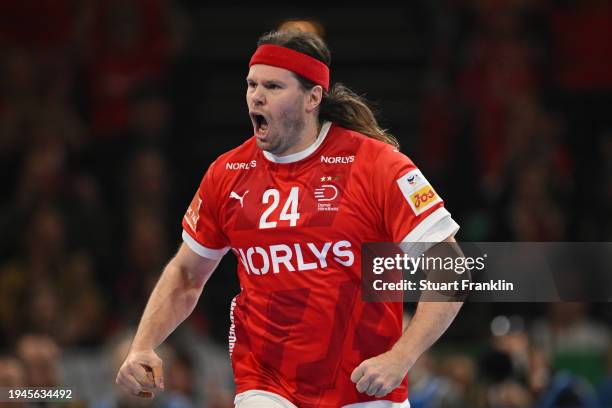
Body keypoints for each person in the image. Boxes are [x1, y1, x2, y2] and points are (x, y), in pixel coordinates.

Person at [116, 29, 463, 408]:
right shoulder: (227, 173)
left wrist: (402, 356)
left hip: (365, 389)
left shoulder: (377, 166)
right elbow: (186, 275)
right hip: (266, 383)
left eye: (273, 86)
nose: (256, 96)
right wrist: (142, 345)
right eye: (251, 84)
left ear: (313, 97)